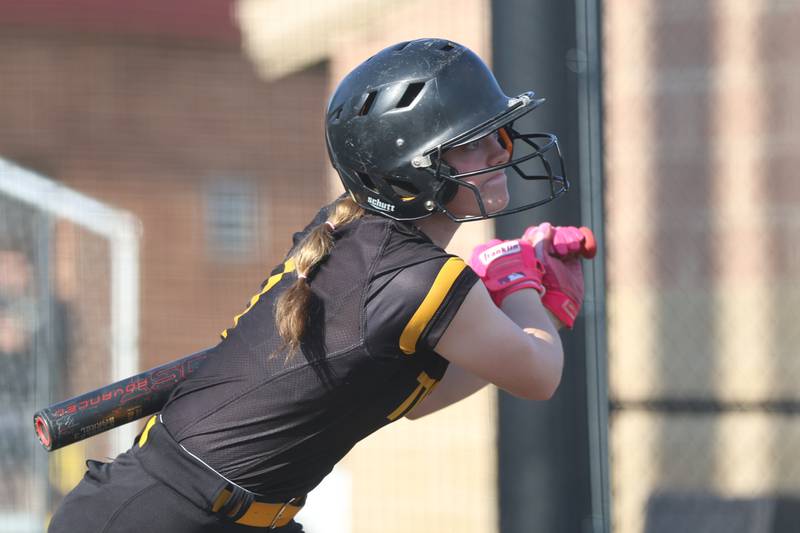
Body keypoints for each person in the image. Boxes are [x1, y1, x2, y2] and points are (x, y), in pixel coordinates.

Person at [48, 38, 592, 532]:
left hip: (230, 517)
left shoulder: (355, 236)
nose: (502, 152)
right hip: (153, 518)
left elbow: (422, 399)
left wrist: (524, 307)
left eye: (498, 134)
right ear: (410, 168)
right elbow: (539, 375)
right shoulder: (417, 279)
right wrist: (519, 281)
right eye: (474, 142)